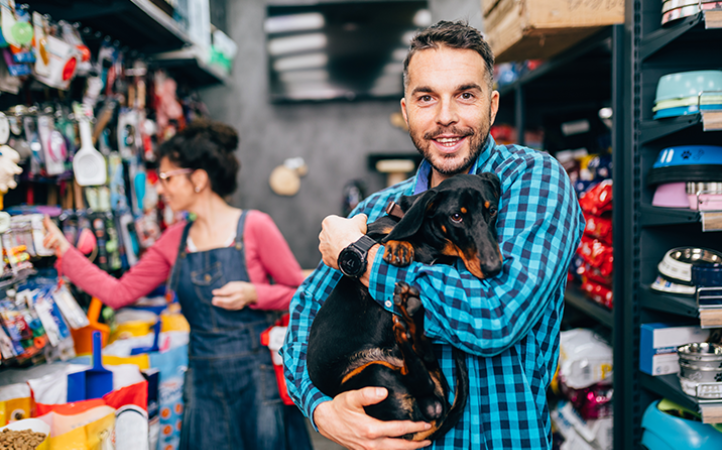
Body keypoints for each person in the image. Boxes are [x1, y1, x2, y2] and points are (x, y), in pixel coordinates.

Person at [283, 21, 585, 450]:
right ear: (407, 111)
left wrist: (359, 257)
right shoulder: (375, 210)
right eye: (427, 98)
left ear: (492, 106)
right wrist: (319, 409)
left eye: (465, 95)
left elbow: (495, 318)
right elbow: (304, 310)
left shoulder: (533, 181)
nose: (446, 116)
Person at [43, 119, 313, 450]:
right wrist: (61, 251)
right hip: (202, 379)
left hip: (258, 377)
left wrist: (255, 293)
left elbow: (301, 293)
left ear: (198, 179)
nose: (160, 188)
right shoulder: (175, 240)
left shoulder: (255, 226)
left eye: (168, 178)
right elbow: (118, 293)